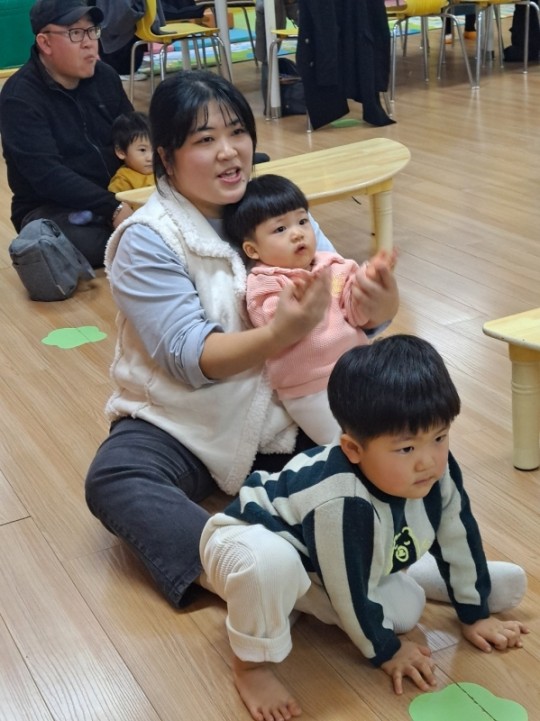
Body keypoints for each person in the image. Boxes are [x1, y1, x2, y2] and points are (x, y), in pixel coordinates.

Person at [84, 69, 399, 610]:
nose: (230, 152)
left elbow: (346, 306)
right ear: (166, 157)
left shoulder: (274, 206)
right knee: (117, 477)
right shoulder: (147, 239)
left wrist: (378, 304)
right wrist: (281, 333)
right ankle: (245, 569)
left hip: (286, 409)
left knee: (393, 436)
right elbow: (190, 358)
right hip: (183, 416)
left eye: (237, 132)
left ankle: (378, 559)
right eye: (205, 139)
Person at [200, 334, 528, 721]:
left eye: (439, 437)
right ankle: (251, 667)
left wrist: (475, 614)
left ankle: (417, 575)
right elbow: (348, 588)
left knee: (405, 613)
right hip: (247, 541)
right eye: (407, 448)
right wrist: (387, 652)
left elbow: (458, 533)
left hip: (322, 563)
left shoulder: (436, 471)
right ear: (353, 450)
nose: (428, 461)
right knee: (274, 567)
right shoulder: (340, 501)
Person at [223, 173, 396, 445]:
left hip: (359, 368)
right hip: (309, 389)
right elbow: (270, 320)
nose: (297, 233)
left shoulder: (332, 264)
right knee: (343, 443)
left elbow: (357, 314)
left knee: (389, 427)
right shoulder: (264, 280)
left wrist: (369, 282)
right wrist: (297, 304)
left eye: (302, 221)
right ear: (252, 250)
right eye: (280, 229)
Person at [0, 0, 135, 268]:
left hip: (119, 192)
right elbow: (48, 176)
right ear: (45, 43)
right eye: (75, 33)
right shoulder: (20, 98)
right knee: (83, 241)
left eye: (92, 31)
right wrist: (113, 209)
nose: (89, 43)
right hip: (54, 208)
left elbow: (134, 136)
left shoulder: (105, 76)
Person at [108, 111, 154, 193]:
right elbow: (116, 200)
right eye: (142, 150)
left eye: (154, 149)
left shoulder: (163, 170)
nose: (151, 158)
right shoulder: (123, 180)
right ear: (121, 152)